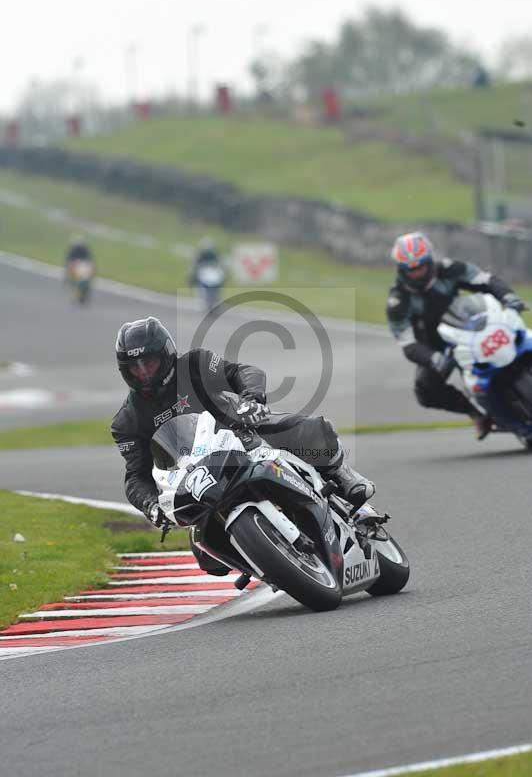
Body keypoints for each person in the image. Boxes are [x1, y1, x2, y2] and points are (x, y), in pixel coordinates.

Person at [111, 317, 375, 572]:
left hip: (242, 435)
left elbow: (242, 372)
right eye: (136, 366)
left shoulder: (194, 364)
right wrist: (151, 505)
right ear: (125, 370)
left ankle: (342, 475)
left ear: (166, 354)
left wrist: (252, 399)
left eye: (149, 362)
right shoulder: (127, 421)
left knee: (308, 430)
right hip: (195, 478)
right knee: (208, 558)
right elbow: (136, 475)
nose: (144, 372)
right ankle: (261, 558)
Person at [387, 231, 527, 440]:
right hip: (438, 347)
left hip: (471, 326)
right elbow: (407, 343)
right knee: (425, 390)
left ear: (430, 261)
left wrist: (508, 296)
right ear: (401, 269)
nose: (416, 273)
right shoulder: (398, 301)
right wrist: (432, 358)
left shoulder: (450, 269)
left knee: (519, 338)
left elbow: (486, 280)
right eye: (411, 269)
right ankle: (477, 413)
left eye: (421, 266)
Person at [189, 238, 225, 311]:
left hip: (213, 275)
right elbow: (194, 263)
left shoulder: (216, 255)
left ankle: (216, 299)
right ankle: (203, 298)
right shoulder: (200, 255)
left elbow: (221, 264)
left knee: (220, 284)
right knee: (193, 280)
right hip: (203, 274)